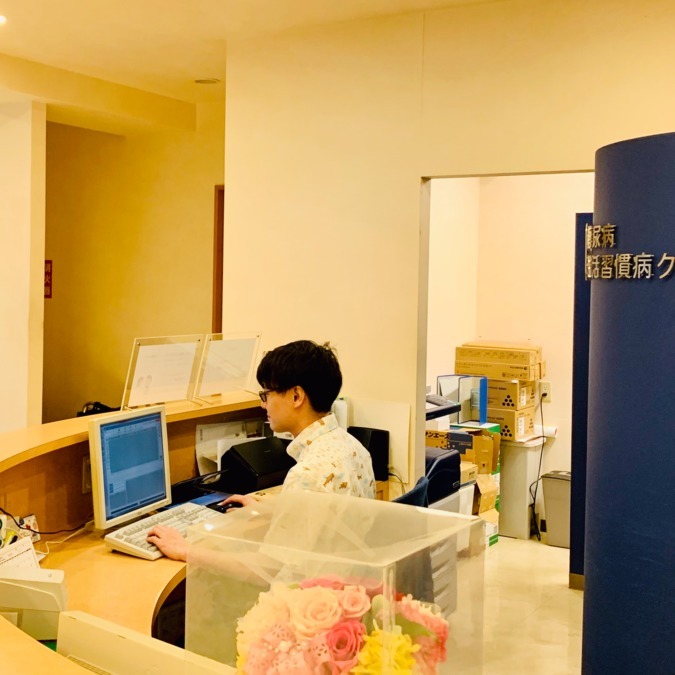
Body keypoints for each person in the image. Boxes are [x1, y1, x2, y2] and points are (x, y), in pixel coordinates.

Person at [147, 339, 376, 560]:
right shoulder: (353, 447)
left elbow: (268, 567)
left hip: (308, 584)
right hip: (344, 578)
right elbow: (328, 524)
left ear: (296, 396)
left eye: (266, 394)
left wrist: (186, 551)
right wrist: (271, 511)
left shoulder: (307, 474)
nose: (262, 404)